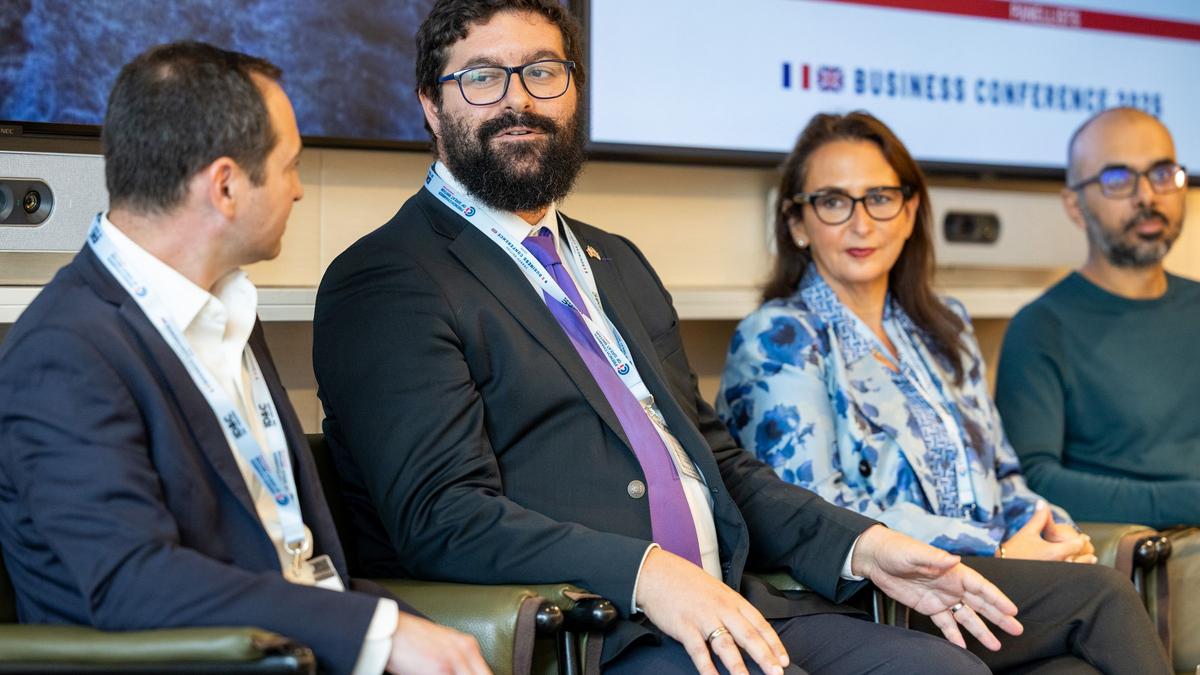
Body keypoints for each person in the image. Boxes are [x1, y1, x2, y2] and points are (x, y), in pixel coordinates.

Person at [313, 3, 1047, 674]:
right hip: (597, 631)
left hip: (731, 600)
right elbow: (441, 519)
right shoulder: (390, 277)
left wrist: (862, 542)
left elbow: (719, 462)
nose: (519, 100)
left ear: (574, 92)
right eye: (481, 77)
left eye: (543, 71)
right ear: (431, 106)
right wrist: (649, 574)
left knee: (947, 669)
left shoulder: (616, 260)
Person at [0, 42, 488, 675]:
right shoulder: (63, 353)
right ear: (226, 186)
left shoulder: (227, 312)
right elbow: (132, 586)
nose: (298, 192)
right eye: (290, 167)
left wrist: (397, 627)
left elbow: (295, 566)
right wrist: (379, 631)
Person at [715, 111, 1172, 673]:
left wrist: (1057, 534)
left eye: (880, 198)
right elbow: (817, 514)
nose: (862, 224)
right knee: (1104, 597)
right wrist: (993, 550)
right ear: (798, 224)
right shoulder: (778, 337)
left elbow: (1004, 476)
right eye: (834, 202)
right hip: (877, 595)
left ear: (910, 212)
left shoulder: (945, 327)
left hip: (988, 577)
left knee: (1075, 670)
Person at [995, 106, 1199, 671]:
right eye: (1118, 178)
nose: (1147, 196)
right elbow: (1035, 480)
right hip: (1153, 553)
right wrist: (1188, 499)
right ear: (1073, 203)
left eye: (1162, 174)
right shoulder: (1043, 327)